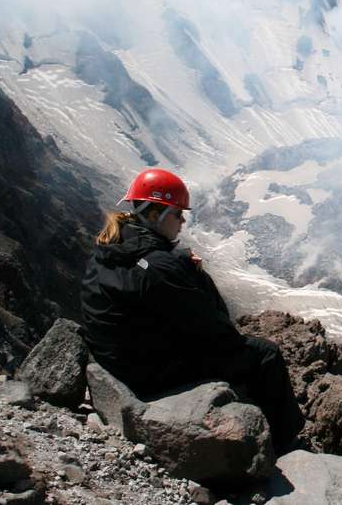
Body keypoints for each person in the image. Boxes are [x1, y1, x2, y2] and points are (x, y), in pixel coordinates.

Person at [80, 168, 304, 453]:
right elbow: (218, 330)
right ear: (154, 215)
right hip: (145, 373)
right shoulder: (160, 267)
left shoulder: (112, 246)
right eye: (177, 213)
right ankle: (285, 445)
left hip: (116, 358)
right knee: (265, 355)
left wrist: (179, 262)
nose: (183, 221)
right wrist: (196, 274)